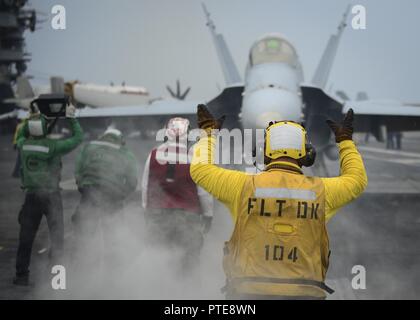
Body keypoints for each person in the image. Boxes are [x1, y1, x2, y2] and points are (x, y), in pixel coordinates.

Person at [190, 105, 368, 299]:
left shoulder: (242, 186)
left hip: (248, 291)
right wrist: (345, 142)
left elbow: (200, 170)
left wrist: (208, 134)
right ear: (306, 154)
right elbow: (357, 180)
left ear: (264, 152)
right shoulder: (321, 191)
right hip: (305, 291)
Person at [14, 104, 83, 286]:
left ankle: (21, 276)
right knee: (57, 239)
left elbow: (20, 136)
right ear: (45, 129)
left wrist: (30, 118)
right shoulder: (52, 146)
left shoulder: (23, 145)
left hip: (31, 196)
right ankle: (57, 279)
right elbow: (78, 138)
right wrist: (71, 118)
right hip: (51, 197)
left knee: (26, 238)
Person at [142, 117, 213, 272]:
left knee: (157, 259)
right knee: (188, 262)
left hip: (158, 216)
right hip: (188, 218)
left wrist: (147, 211)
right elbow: (204, 193)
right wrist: (208, 215)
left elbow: (146, 186)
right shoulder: (195, 157)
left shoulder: (153, 154)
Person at [72, 128, 138, 274]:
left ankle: (82, 271)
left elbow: (78, 170)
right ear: (120, 139)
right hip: (113, 196)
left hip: (89, 194)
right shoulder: (125, 153)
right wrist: (121, 195)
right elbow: (132, 181)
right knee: (113, 236)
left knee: (84, 234)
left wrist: (83, 187)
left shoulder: (89, 148)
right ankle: (113, 273)